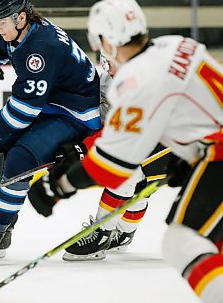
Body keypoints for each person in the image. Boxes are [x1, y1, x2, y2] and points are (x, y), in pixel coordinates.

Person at [45, 0, 222, 302]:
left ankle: (106, 232)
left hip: (217, 154)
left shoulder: (136, 80)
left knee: (180, 242)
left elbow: (113, 166)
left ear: (109, 40)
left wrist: (60, 184)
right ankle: (118, 230)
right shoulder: (178, 44)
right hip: (207, 150)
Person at [0, 0, 102, 264]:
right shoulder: (16, 31)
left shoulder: (41, 48)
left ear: (21, 17)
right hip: (48, 104)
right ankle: (1, 231)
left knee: (18, 161)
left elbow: (24, 110)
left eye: (2, 22)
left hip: (75, 111)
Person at [28, 55, 171, 261]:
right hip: (144, 140)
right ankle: (123, 234)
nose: (109, 70)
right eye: (106, 64)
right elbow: (104, 125)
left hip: (171, 140)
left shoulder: (143, 84)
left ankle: (102, 234)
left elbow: (121, 132)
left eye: (113, 64)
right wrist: (78, 146)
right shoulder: (106, 81)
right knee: (137, 183)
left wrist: (83, 149)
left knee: (126, 174)